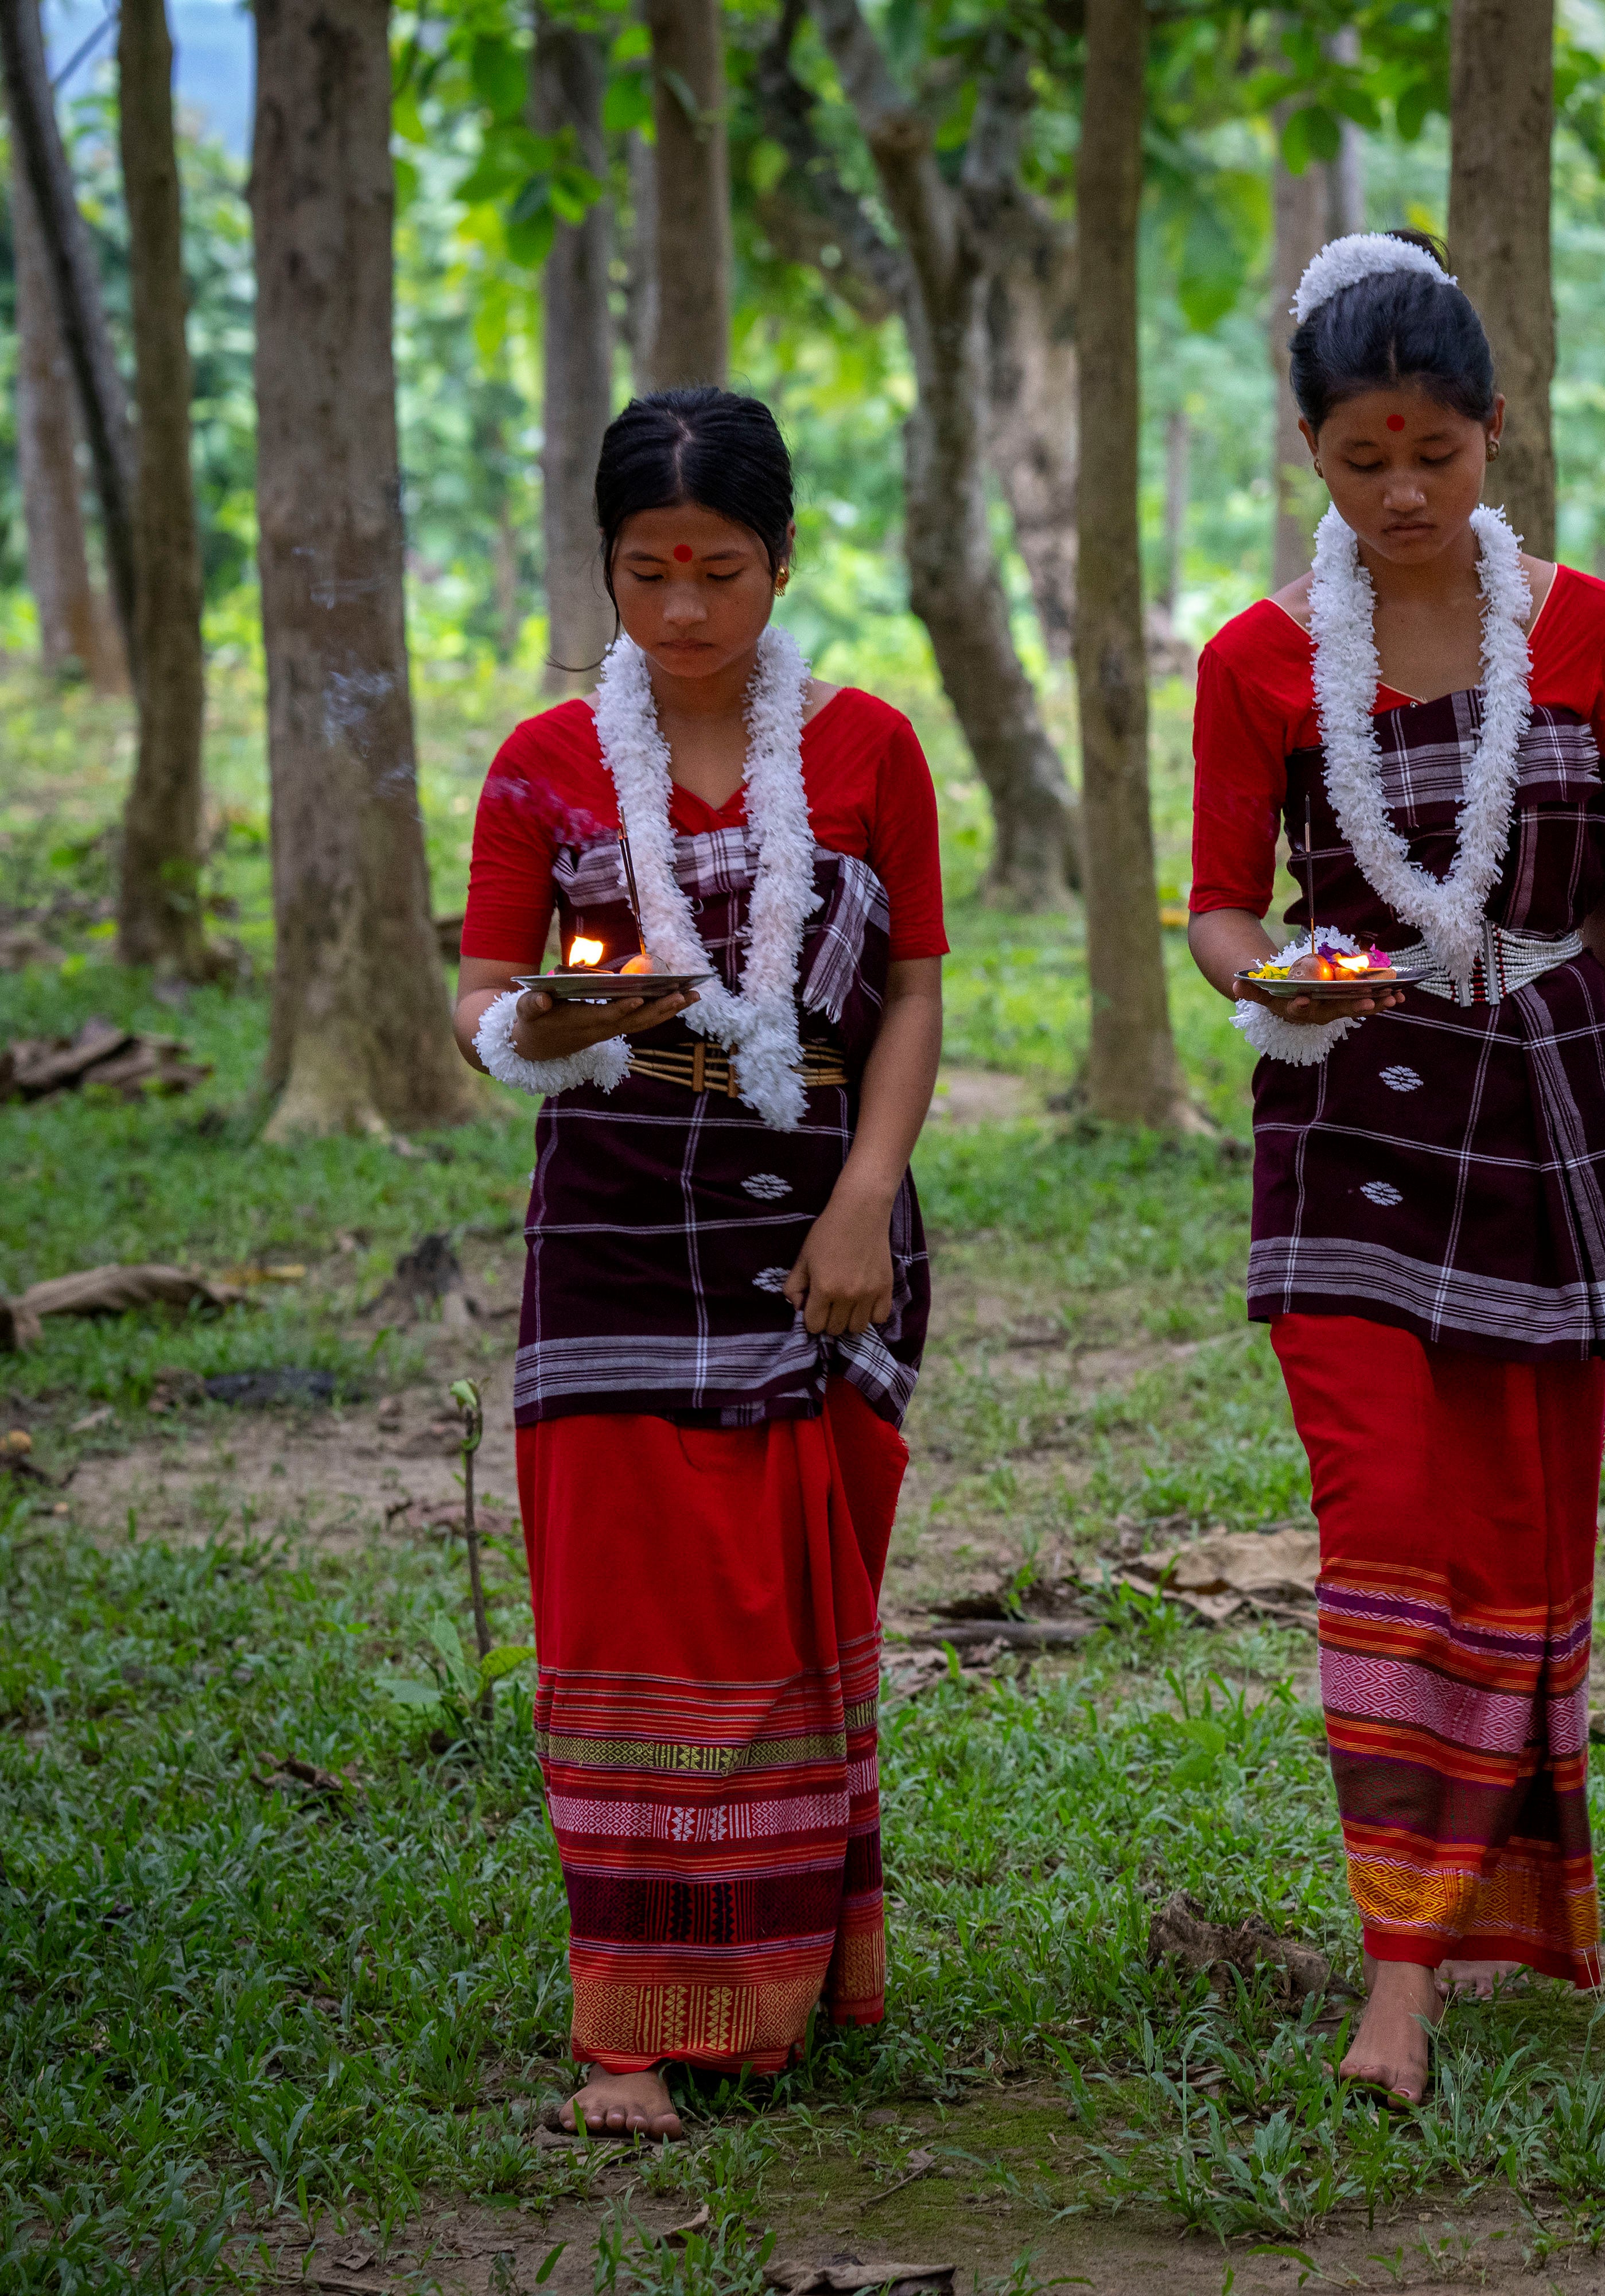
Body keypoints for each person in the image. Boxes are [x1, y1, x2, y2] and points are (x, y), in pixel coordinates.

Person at [1183, 230, 1605, 2106]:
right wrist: (1277, 976)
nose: (1403, 494)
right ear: (1310, 450)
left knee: (1528, 1539)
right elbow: (1223, 909)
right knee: (1389, 1532)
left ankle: (1504, 1920)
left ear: (1492, 436)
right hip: (1347, 1123)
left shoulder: (1594, 628)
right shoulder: (1258, 662)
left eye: (1436, 456)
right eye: (1363, 458)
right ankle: (1399, 1971)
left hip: (1547, 1121)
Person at [454, 387, 946, 2139]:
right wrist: (543, 1017)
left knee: (786, 1624)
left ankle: (799, 1975)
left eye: (719, 572)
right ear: (604, 569)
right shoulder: (542, 764)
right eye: (647, 572)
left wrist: (862, 1202)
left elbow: (912, 997)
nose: (682, 610)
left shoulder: (873, 749)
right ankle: (629, 2037)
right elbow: (482, 1006)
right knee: (626, 1626)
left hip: (817, 1241)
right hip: (607, 1247)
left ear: (781, 565)